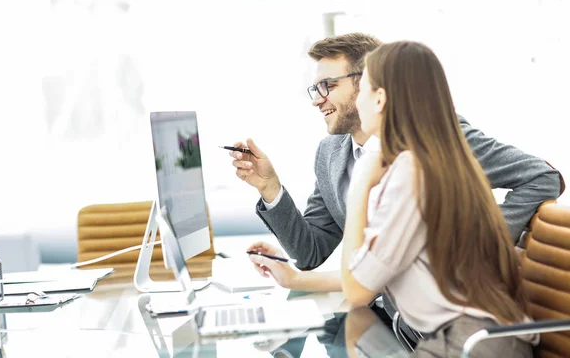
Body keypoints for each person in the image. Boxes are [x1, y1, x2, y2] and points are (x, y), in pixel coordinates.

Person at [230, 33, 561, 290]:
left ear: (369, 83)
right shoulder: (330, 154)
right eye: (314, 89)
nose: (318, 101)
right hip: (385, 316)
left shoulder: (438, 136)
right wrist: (270, 188)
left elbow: (542, 176)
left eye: (328, 86)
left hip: (447, 317)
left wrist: (481, 244)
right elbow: (310, 252)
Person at [338, 40, 536, 356]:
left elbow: (357, 289)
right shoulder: (437, 159)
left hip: (470, 344)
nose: (357, 101)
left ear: (380, 98)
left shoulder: (411, 171)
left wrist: (360, 186)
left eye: (361, 89)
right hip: (479, 339)